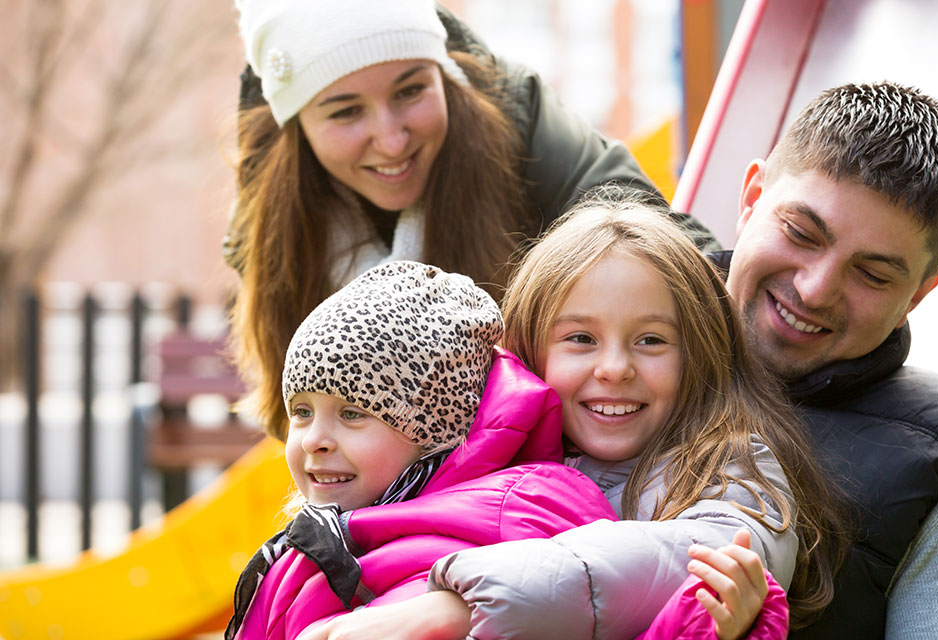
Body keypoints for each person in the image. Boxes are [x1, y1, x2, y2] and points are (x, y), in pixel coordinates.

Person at [302, 193, 847, 639]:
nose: (613, 368)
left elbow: (703, 556)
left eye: (651, 340)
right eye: (580, 339)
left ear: (701, 352)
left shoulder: (729, 468)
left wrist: (460, 609)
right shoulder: (476, 457)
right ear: (532, 350)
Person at [226, 0, 719, 441]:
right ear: (296, 125)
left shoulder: (511, 116)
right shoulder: (274, 208)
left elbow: (662, 246)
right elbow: (290, 407)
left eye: (410, 90)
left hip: (543, 458)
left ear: (442, 75)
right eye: (346, 112)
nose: (392, 140)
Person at [226, 260, 776, 640]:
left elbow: (585, 606)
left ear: (433, 428)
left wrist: (696, 625)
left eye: (354, 414)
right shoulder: (340, 529)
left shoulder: (518, 506)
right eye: (301, 412)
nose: (316, 439)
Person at [716, 81, 938, 638]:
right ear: (751, 198)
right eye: (800, 232)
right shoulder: (588, 346)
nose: (815, 290)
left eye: (872, 274)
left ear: (916, 296)